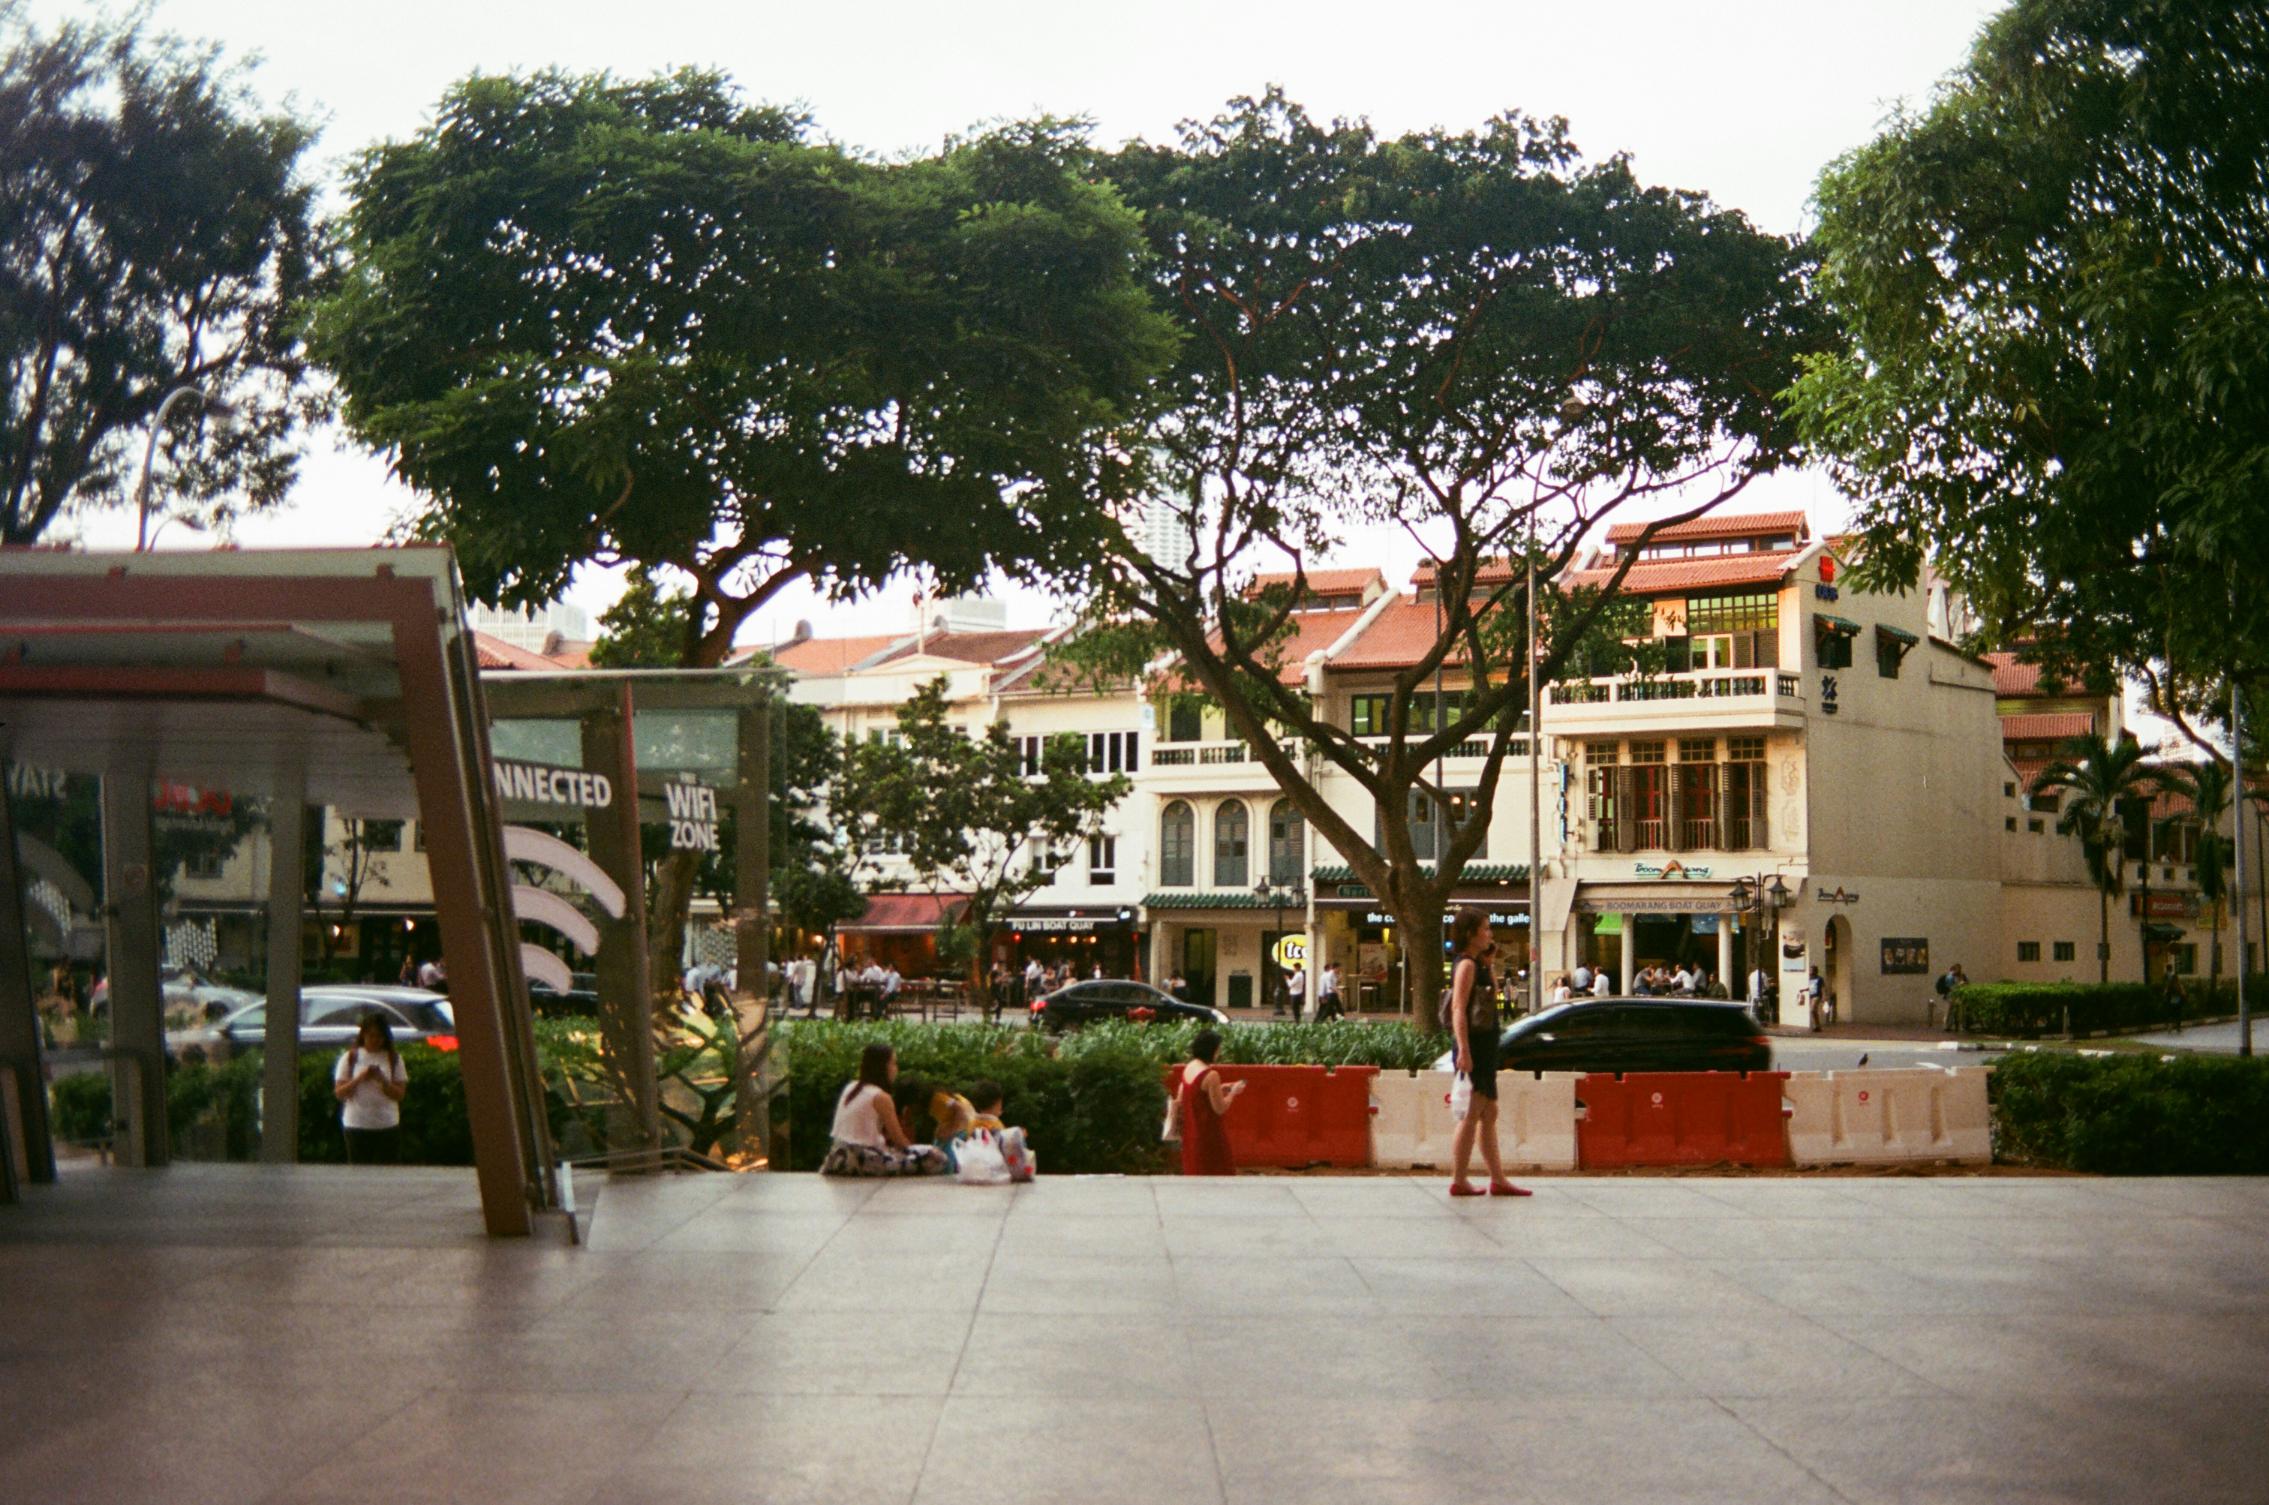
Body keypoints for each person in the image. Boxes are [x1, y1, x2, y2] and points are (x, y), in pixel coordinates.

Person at [1445, 909, 1529, 1198]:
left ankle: (1497, 1178)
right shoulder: (1465, 965)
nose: (1490, 933)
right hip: (1475, 1044)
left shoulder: (1478, 964)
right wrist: (1464, 1049)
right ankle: (1459, 1178)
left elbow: (1492, 996)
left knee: (1489, 1112)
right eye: (1485, 929)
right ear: (1471, 934)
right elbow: (1458, 1008)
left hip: (1485, 1042)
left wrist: (1490, 964)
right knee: (1472, 1112)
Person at [820, 1042, 948, 1176]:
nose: (896, 1069)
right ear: (883, 1067)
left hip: (836, 1157)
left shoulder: (851, 1087)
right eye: (893, 1063)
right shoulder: (880, 1097)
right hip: (863, 1159)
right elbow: (900, 1142)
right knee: (936, 1157)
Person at [333, 1014, 409, 1164]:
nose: (375, 1040)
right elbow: (340, 1092)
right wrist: (360, 1078)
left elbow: (399, 1094)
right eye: (371, 1036)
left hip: (387, 1124)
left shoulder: (393, 1059)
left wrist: (382, 1080)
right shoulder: (350, 1058)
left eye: (379, 1036)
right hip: (356, 1125)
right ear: (363, 1036)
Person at [1176, 1028, 1245, 1176]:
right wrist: (1233, 1092)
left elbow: (1191, 1094)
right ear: (1211, 1050)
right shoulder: (1211, 1075)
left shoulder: (1190, 1066)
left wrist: (1220, 1089)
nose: (1219, 1053)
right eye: (1218, 1049)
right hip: (1209, 1135)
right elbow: (1219, 1108)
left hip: (1191, 1133)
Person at [1806, 966, 1827, 1031]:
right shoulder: (1809, 978)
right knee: (1813, 1011)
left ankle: (1817, 1026)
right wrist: (1804, 990)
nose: (1810, 971)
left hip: (1817, 996)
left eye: (1812, 970)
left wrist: (1824, 996)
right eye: (1810, 970)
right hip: (1811, 996)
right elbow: (1810, 987)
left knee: (1812, 1010)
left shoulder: (1819, 978)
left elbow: (1823, 988)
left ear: (1815, 971)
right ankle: (1817, 1026)